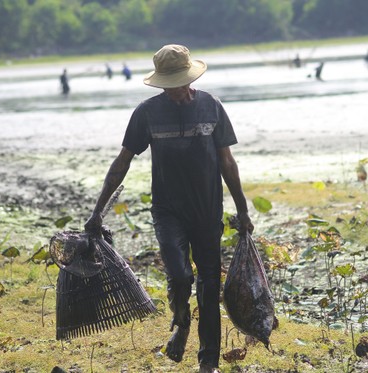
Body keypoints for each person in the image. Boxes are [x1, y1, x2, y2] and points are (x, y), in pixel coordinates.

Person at [84, 44, 253, 373]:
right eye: (167, 85)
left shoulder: (211, 107)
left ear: (189, 79)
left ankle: (208, 362)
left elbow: (227, 163)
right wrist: (97, 210)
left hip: (207, 211)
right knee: (179, 275)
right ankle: (181, 322)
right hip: (168, 211)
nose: (173, 90)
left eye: (177, 83)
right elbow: (122, 163)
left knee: (207, 284)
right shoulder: (147, 113)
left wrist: (243, 209)